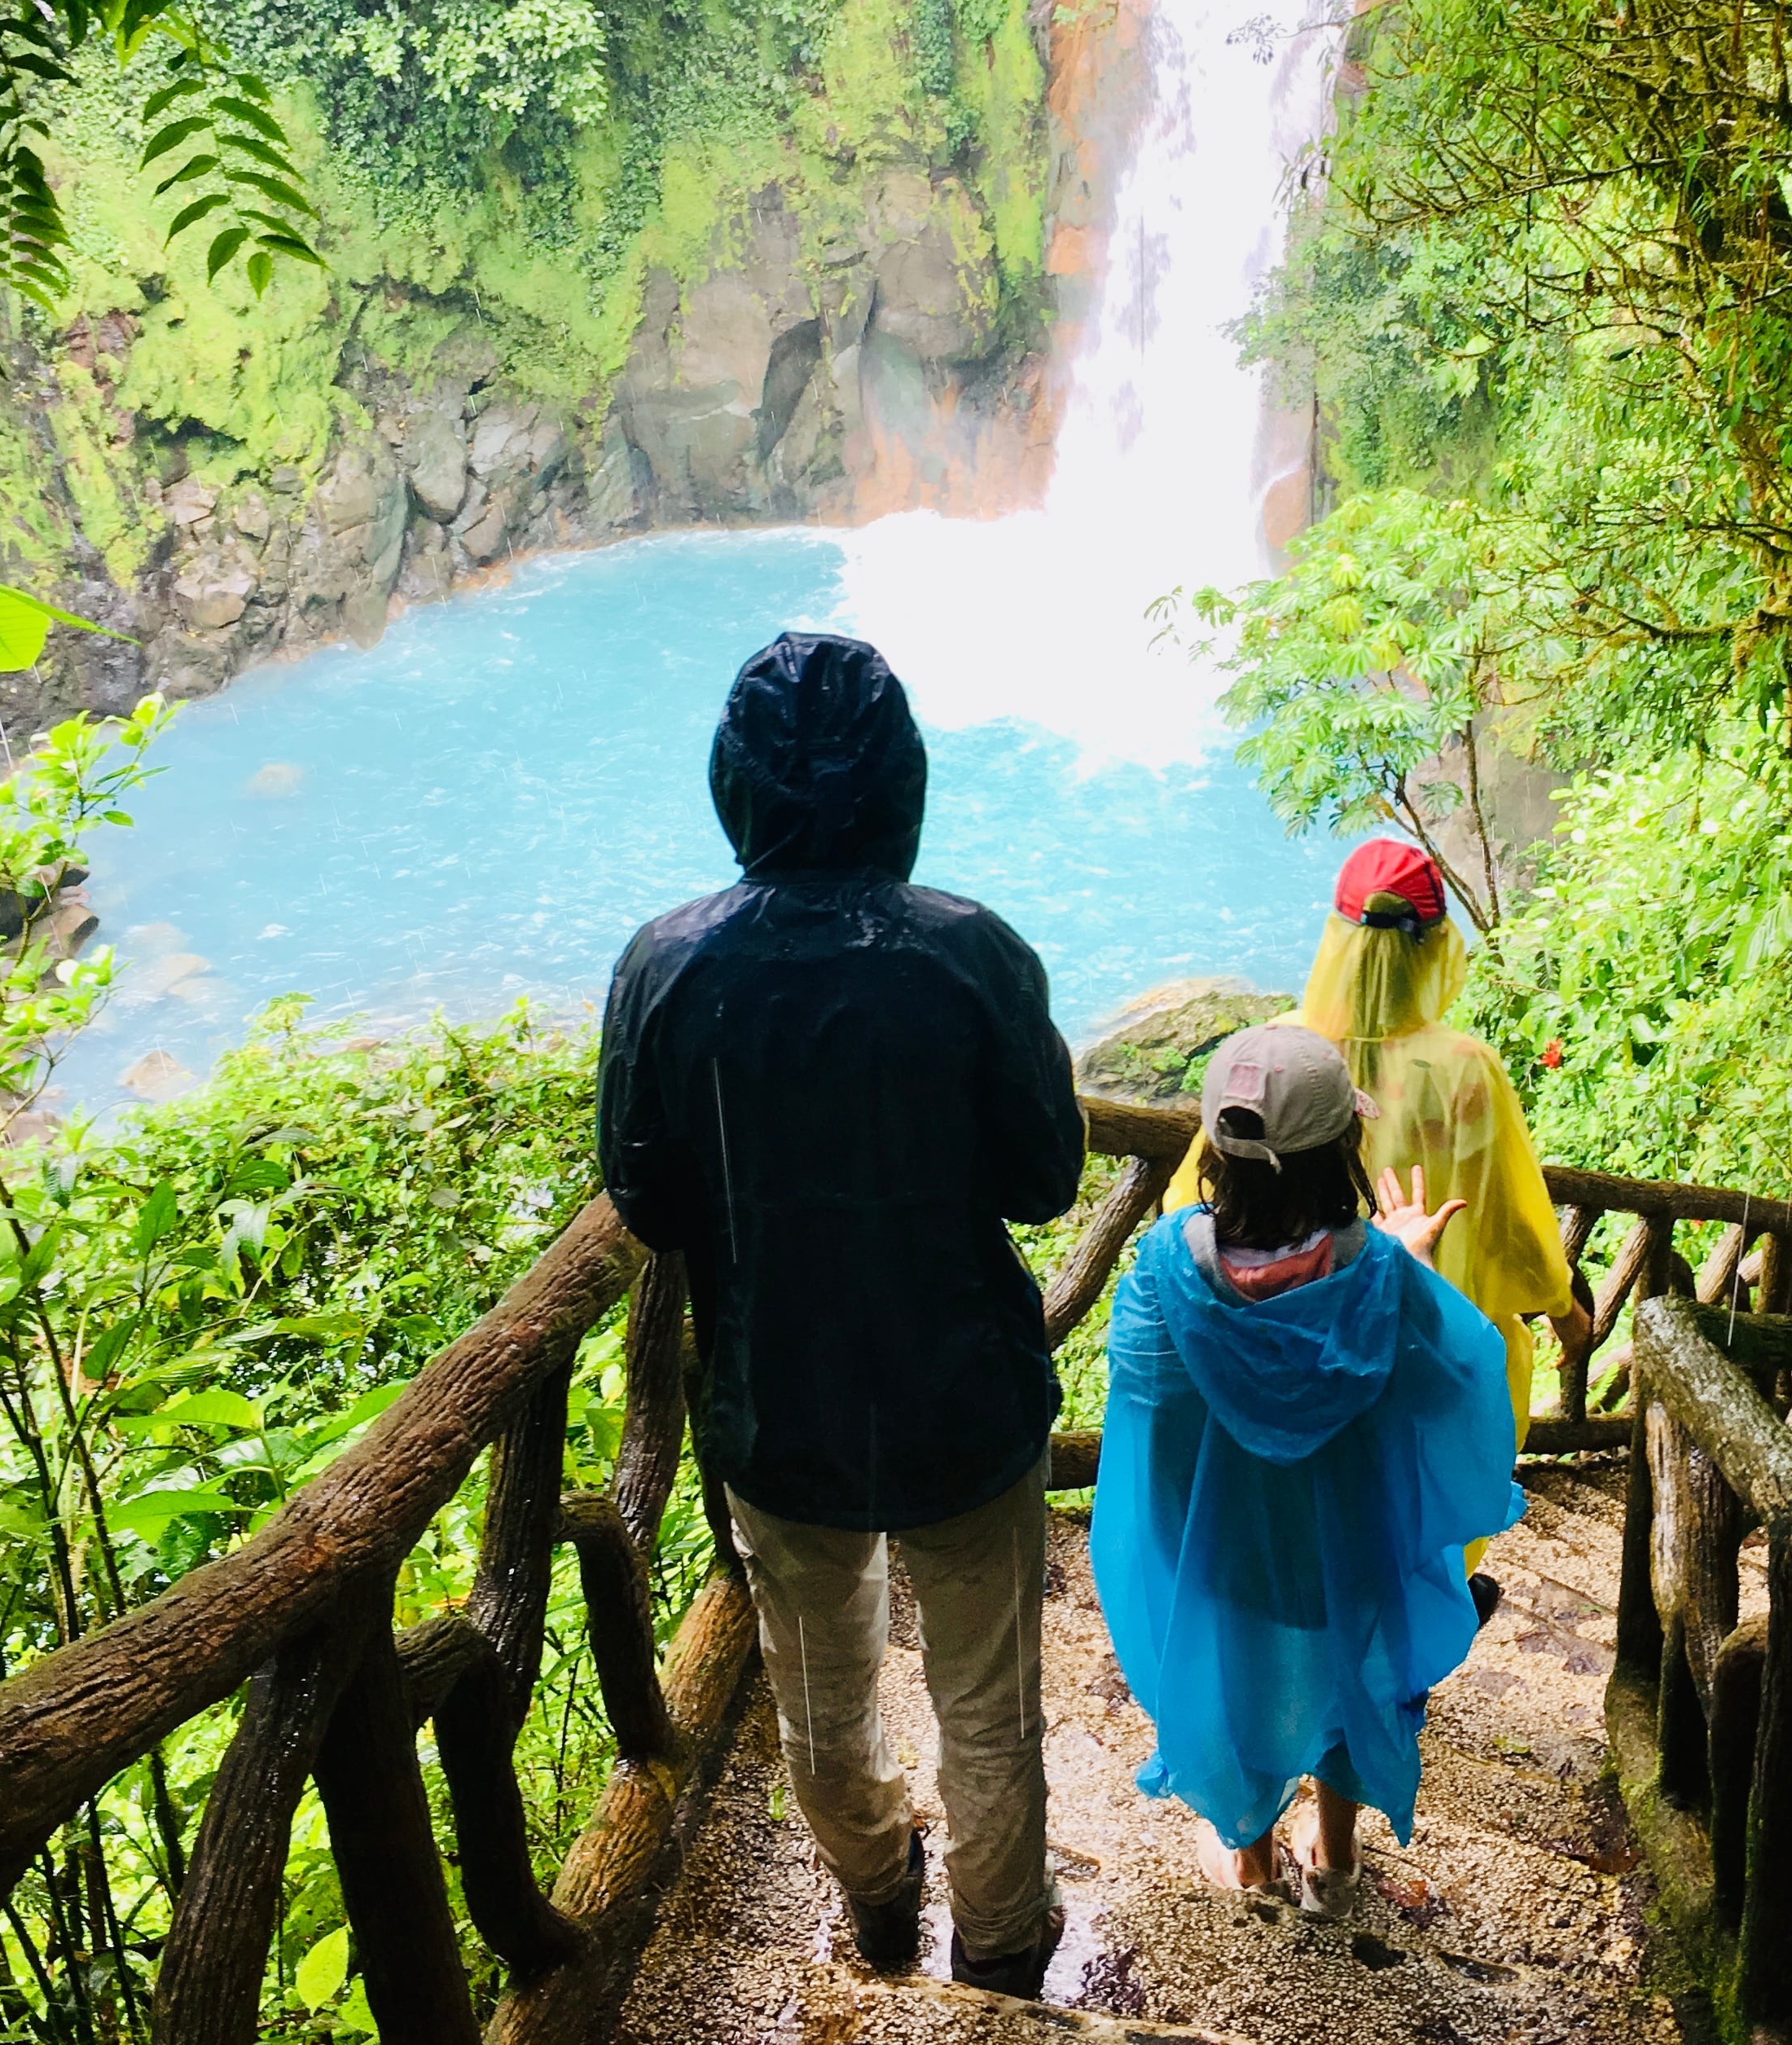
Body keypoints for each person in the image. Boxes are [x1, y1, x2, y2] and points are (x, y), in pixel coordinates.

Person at [595, 631, 1086, 1998]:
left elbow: (646, 1197)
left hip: (779, 1403)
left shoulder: (665, 964)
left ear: (733, 783)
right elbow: (1045, 1180)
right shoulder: (973, 952)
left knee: (817, 1691)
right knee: (988, 1702)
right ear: (902, 782)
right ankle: (1001, 1947)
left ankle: (877, 1896)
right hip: (966, 1393)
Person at [1096, 1023, 1522, 1910]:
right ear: (1344, 1147)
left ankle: (1249, 1858)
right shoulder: (1382, 1277)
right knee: (1354, 1675)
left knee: (1238, 1679)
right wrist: (1411, 1268)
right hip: (1350, 1552)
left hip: (1221, 1557)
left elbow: (1147, 1422)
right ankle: (1334, 1859)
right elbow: (1457, 1390)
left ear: (1216, 1152)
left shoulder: (1162, 1272)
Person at [1169, 838, 1580, 1600]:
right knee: (1409, 1516)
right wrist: (1561, 1305)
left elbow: (1195, 1202)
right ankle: (1418, 1621)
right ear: (1432, 949)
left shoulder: (1276, 1055)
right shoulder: (1464, 1069)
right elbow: (1507, 1217)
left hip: (1287, 1344)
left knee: (1312, 1519)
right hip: (1422, 1341)